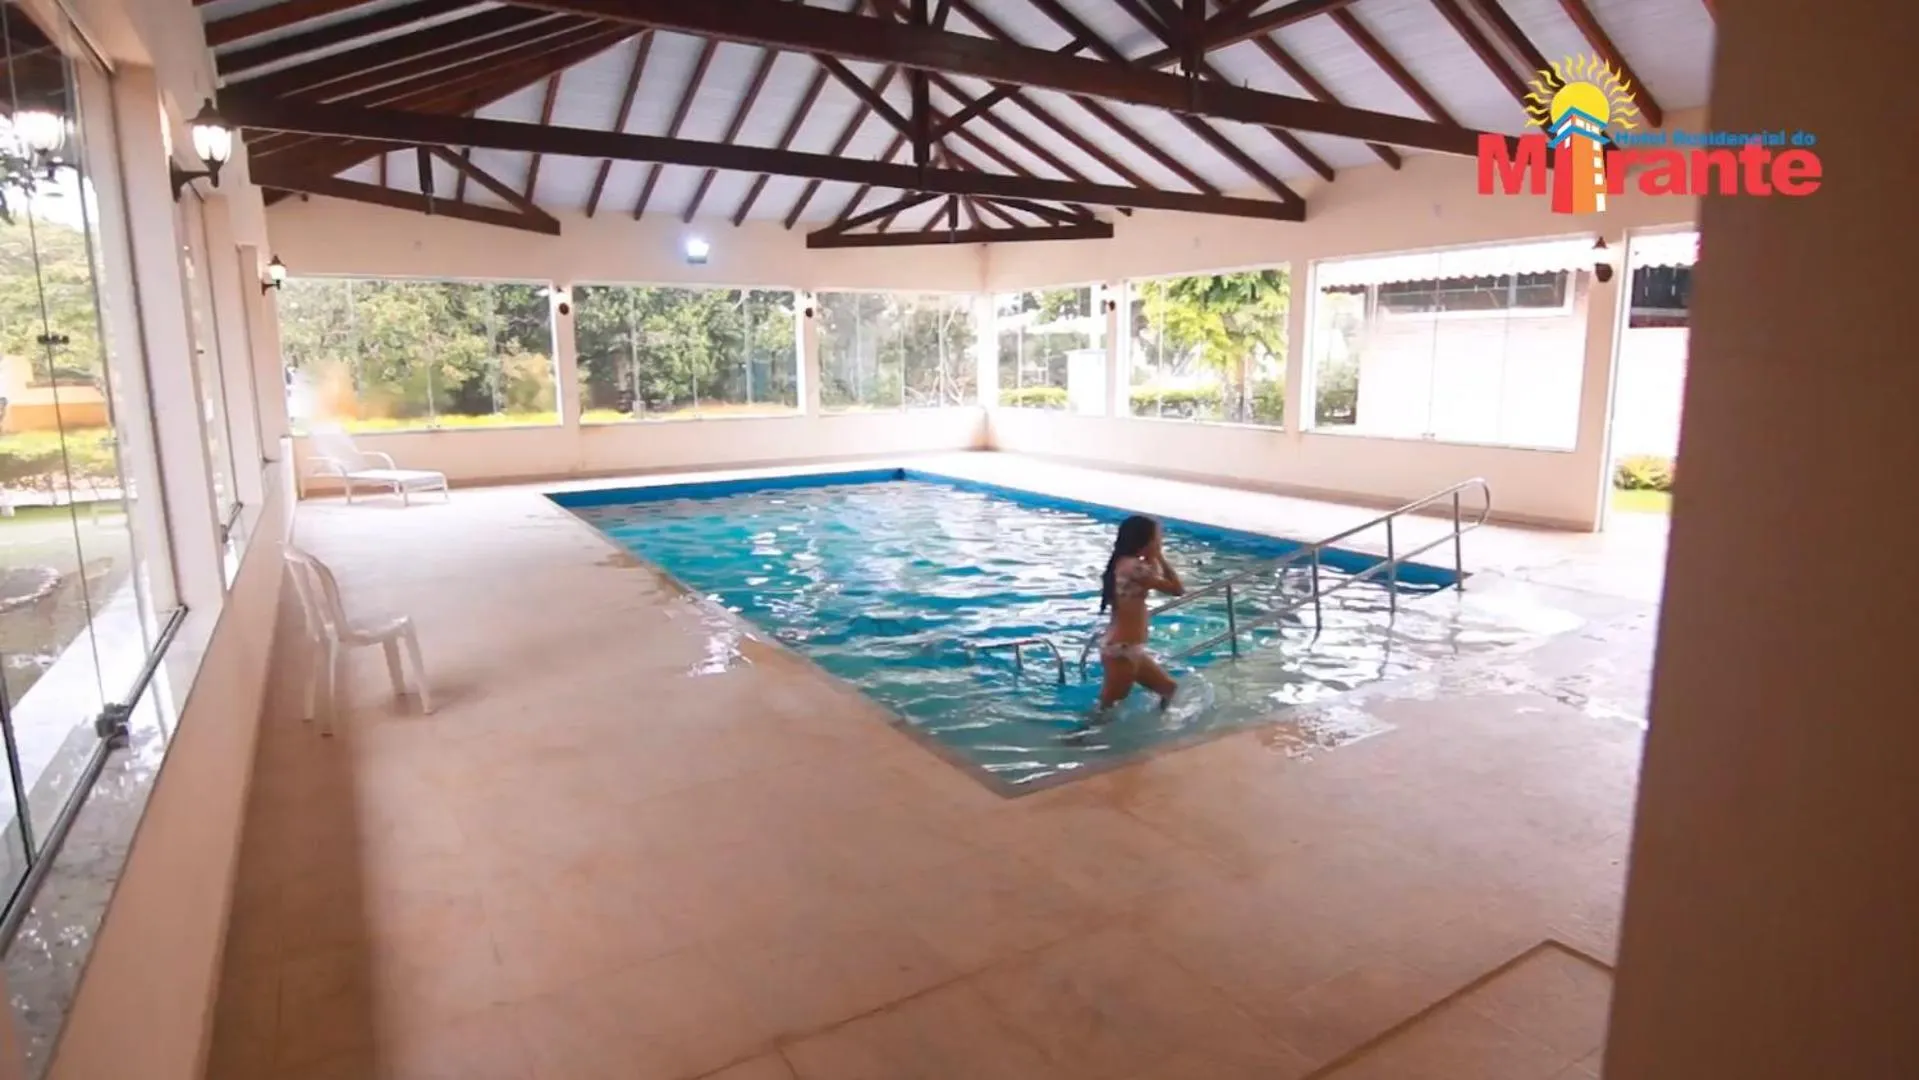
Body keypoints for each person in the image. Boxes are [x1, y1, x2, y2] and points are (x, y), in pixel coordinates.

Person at [1096, 514, 1184, 711]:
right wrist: (1160, 555)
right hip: (1121, 650)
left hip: (1128, 648)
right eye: (1158, 537)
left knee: (1168, 688)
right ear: (1147, 540)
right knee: (1107, 709)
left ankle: (1160, 733)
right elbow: (1177, 589)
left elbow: (1152, 574)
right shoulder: (1134, 568)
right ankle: (1076, 740)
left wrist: (1153, 555)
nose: (1160, 540)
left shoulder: (1127, 564)